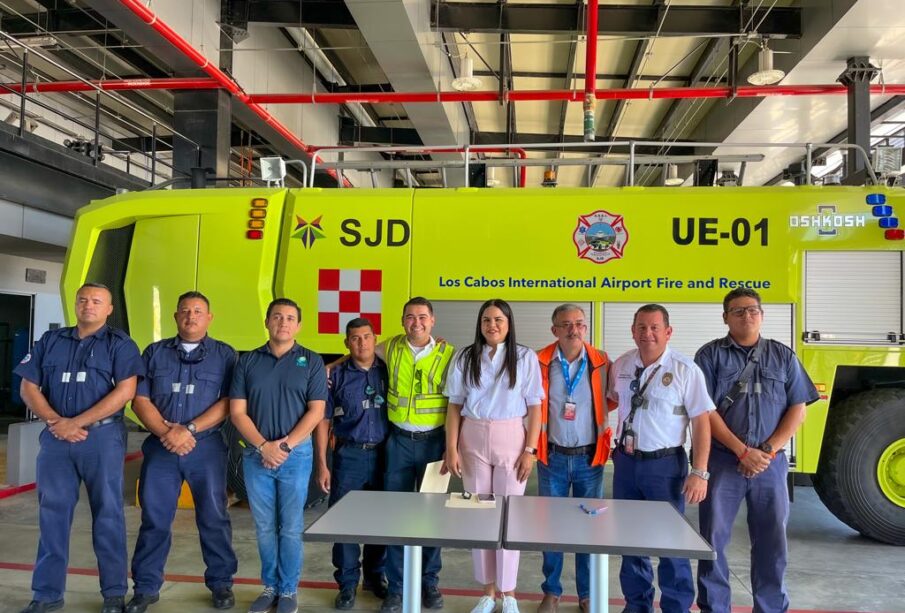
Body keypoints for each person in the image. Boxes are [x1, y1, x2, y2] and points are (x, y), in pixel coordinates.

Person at [14, 282, 143, 613]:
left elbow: (125, 392)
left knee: (109, 515)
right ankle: (46, 594)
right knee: (52, 516)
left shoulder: (121, 344)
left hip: (101, 440)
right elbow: (29, 387)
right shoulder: (51, 341)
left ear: (109, 309)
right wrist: (58, 422)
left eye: (97, 301)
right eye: (83, 299)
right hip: (57, 439)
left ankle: (113, 593)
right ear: (75, 303)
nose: (89, 305)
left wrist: (77, 422)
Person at [695, 289, 818, 613]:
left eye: (752, 310)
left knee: (772, 543)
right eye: (737, 311)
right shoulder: (709, 356)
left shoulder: (783, 356)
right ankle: (714, 608)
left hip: (770, 465)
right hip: (723, 462)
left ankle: (771, 608)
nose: (746, 316)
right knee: (712, 543)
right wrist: (741, 451)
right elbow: (705, 411)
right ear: (725, 318)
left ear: (761, 315)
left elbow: (798, 407)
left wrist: (765, 451)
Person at [328, 297, 453, 613]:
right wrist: (332, 366)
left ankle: (428, 582)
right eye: (410, 317)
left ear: (433, 320)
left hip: (434, 445)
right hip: (397, 444)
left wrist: (453, 447)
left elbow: (458, 404)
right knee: (395, 519)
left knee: (432, 518)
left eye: (422, 317)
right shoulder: (392, 347)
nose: (417, 323)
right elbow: (361, 350)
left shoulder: (448, 354)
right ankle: (396, 589)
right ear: (402, 321)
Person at [126, 291, 238, 613]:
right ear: (175, 317)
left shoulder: (225, 355)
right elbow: (140, 400)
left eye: (198, 311)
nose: (191, 316)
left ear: (209, 318)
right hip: (161, 448)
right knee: (155, 519)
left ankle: (221, 584)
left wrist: (187, 431)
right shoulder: (154, 353)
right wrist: (167, 432)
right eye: (185, 311)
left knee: (214, 518)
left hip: (206, 448)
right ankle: (146, 588)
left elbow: (228, 403)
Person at [608, 304, 713, 613]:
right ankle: (637, 606)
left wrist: (701, 471)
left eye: (654, 327)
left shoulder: (685, 369)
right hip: (626, 464)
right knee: (630, 540)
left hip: (665, 466)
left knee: (671, 543)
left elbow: (701, 421)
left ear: (668, 332)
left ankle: (676, 607)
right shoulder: (622, 365)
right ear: (632, 331)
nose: (647, 333)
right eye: (641, 327)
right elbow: (612, 401)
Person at [443, 299, 544, 613]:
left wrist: (530, 450)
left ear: (509, 323)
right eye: (486, 320)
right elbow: (455, 406)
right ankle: (488, 593)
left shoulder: (525, 357)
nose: (492, 326)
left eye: (498, 320)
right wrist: (451, 448)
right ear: (480, 324)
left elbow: (535, 407)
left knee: (508, 516)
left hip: (511, 438)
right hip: (472, 437)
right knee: (480, 515)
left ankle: (509, 592)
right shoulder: (465, 356)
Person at [229, 298, 327, 613]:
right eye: (277, 317)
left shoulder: (311, 361)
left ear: (298, 325)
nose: (283, 323)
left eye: (289, 318)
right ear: (267, 322)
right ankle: (269, 587)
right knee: (263, 526)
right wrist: (263, 446)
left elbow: (317, 411)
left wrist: (283, 446)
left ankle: (288, 591)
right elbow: (237, 412)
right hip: (257, 457)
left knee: (291, 525)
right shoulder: (247, 362)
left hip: (295, 457)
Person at [534, 304, 614, 613]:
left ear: (586, 328)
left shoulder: (602, 362)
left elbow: (611, 399)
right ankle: (551, 592)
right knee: (550, 528)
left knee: (588, 529)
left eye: (580, 323)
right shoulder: (540, 361)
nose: (574, 329)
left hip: (589, 459)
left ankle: (587, 593)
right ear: (554, 330)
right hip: (551, 457)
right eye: (566, 324)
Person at [315, 317, 390, 610]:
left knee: (381, 521)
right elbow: (323, 419)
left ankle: (375, 576)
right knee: (343, 522)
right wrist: (323, 463)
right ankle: (347, 584)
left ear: (375, 339)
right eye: (355, 338)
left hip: (385, 454)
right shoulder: (334, 375)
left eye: (367, 337)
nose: (362, 343)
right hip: (349, 455)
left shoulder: (388, 370)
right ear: (347, 343)